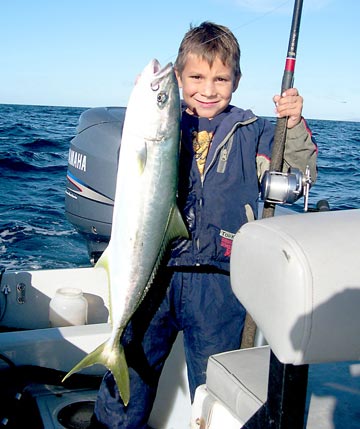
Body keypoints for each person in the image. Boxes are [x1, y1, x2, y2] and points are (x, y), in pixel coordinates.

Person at [92, 21, 317, 428]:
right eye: (196, 76)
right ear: (179, 77)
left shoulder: (255, 131)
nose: (208, 89)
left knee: (215, 387)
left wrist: (294, 124)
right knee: (132, 376)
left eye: (220, 79)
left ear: (236, 81)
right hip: (154, 273)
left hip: (219, 282)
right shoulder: (162, 123)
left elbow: (300, 170)